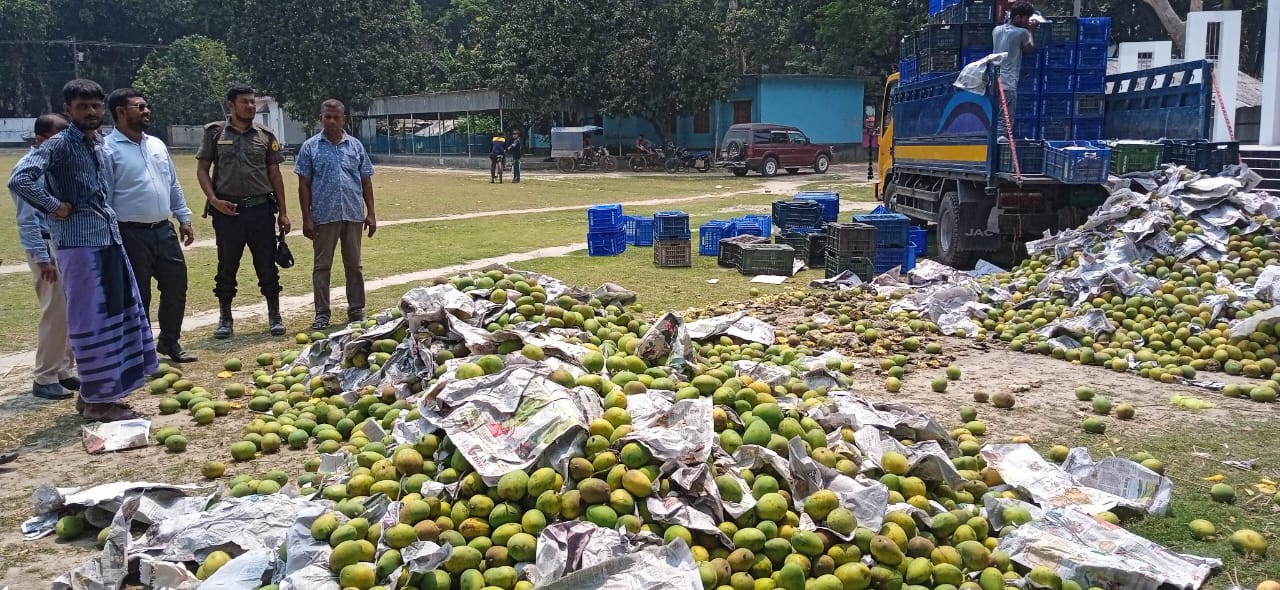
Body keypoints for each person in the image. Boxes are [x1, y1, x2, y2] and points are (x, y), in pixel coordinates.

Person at [9, 79, 157, 422]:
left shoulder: (96, 143)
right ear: (68, 109)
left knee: (116, 316)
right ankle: (96, 404)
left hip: (107, 238)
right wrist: (54, 206)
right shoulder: (60, 144)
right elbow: (20, 179)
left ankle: (96, 394)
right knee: (92, 320)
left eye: (95, 105)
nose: (90, 112)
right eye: (82, 106)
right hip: (79, 245)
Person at [103, 88, 197, 363]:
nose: (147, 111)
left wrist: (183, 217)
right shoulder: (107, 149)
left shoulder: (156, 144)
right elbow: (105, 197)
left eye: (146, 106)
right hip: (130, 233)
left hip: (163, 229)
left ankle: (169, 341)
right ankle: (139, 350)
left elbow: (172, 183)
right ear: (121, 112)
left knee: (176, 286)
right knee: (138, 294)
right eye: (140, 107)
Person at [196, 84, 291, 339]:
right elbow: (202, 170)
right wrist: (213, 200)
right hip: (228, 213)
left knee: (267, 266)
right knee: (227, 266)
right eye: (244, 102)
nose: (250, 106)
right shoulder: (215, 133)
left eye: (252, 102)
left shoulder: (265, 135)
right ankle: (225, 318)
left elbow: (275, 175)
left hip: (261, 210)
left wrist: (283, 212)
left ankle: (275, 315)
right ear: (231, 105)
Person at [8, 113, 78, 401]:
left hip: (63, 243)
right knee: (55, 311)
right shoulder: (29, 171)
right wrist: (41, 257)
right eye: (57, 138)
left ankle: (63, 369)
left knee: (70, 311)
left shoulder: (53, 166)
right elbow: (27, 220)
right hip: (45, 247)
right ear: (40, 140)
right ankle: (45, 376)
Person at [296, 99, 376, 330]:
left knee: (354, 265)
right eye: (327, 117)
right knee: (322, 266)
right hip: (323, 216)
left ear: (344, 119)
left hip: (353, 214)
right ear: (321, 118)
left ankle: (356, 309)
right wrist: (306, 218)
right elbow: (303, 185)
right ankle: (322, 313)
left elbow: (366, 181)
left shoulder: (355, 146)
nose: (331, 121)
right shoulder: (310, 147)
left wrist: (371, 213)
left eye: (336, 117)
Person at [993, 1, 1038, 136]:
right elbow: (1029, 49)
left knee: (995, 115)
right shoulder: (1022, 33)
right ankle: (1001, 144)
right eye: (1026, 18)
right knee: (1005, 119)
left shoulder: (996, 30)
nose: (1027, 21)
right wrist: (1031, 30)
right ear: (1018, 17)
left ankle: (994, 142)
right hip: (1008, 82)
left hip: (994, 80)